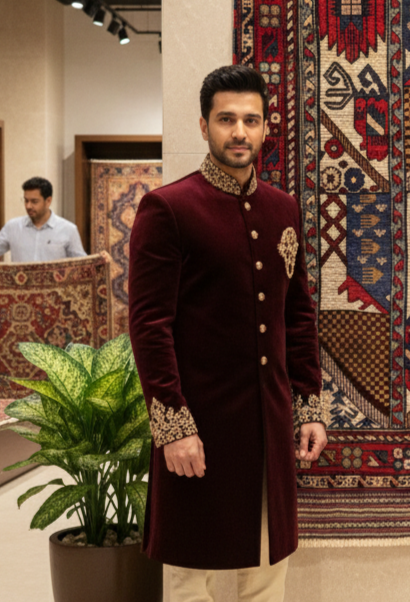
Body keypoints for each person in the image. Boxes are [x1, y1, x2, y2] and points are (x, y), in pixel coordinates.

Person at [128, 64, 327, 602]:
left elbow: (297, 314)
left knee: (266, 571)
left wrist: (308, 406)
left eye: (251, 120)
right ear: (204, 125)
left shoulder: (283, 209)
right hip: (198, 424)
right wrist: (173, 425)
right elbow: (149, 325)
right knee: (190, 576)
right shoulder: (168, 208)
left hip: (269, 425)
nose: (240, 132)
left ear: (266, 128)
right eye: (226, 119)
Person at [0, 177, 86, 262]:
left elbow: (82, 265)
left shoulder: (68, 230)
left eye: (34, 201)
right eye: (26, 201)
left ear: (48, 201)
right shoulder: (12, 227)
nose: (28, 206)